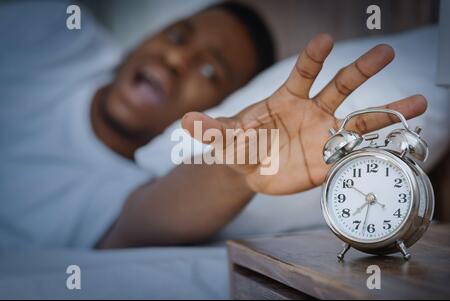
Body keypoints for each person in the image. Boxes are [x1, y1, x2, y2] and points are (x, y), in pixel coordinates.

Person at [0, 1, 274, 248]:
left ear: (219, 108)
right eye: (177, 36)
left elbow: (144, 223)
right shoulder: (55, 33)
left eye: (209, 72)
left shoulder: (133, 195)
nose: (176, 59)